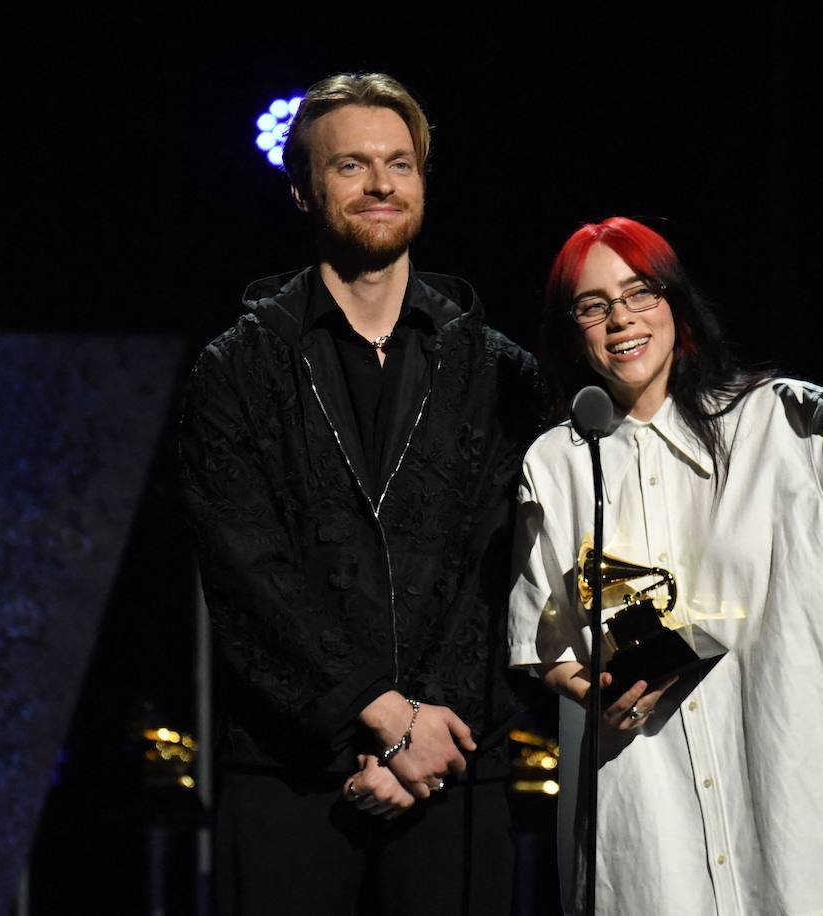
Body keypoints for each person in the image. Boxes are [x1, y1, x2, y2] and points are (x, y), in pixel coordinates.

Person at [509, 211, 823, 915]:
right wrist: (590, 690)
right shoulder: (559, 461)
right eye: (593, 305)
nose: (620, 319)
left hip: (806, 833)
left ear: (675, 305)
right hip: (657, 841)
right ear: (573, 330)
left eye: (639, 293)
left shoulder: (772, 418)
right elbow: (548, 640)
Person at [179, 72, 542, 916]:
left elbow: (504, 566)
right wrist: (374, 715)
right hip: (290, 772)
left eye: (400, 163)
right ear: (303, 190)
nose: (381, 184)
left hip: (452, 765)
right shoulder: (235, 369)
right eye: (350, 167)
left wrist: (425, 733)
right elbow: (245, 574)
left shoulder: (500, 372)